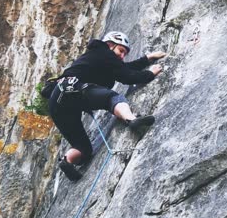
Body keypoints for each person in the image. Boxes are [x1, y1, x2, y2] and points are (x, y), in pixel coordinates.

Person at [47, 31, 166, 181]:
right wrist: (150, 73)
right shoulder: (104, 52)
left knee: (83, 149)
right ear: (110, 45)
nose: (122, 56)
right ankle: (131, 119)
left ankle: (67, 161)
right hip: (75, 89)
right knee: (112, 98)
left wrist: (147, 58)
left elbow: (124, 68)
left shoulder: (97, 57)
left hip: (57, 102)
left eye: (125, 54)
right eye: (121, 51)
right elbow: (128, 76)